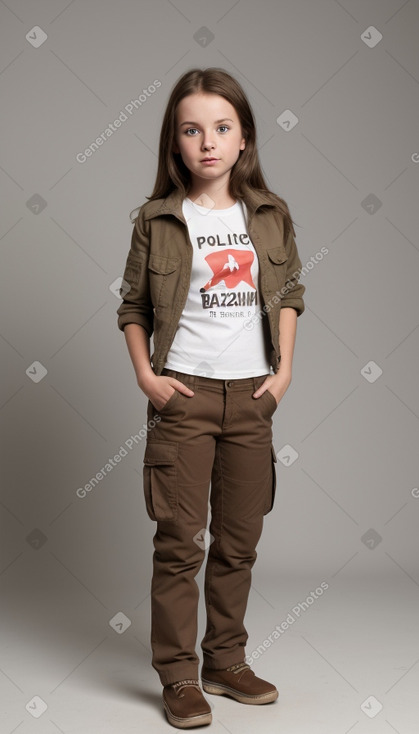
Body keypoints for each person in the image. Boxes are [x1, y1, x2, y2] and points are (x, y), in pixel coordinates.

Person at [116, 67, 305, 729]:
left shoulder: (269, 215)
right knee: (178, 544)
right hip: (184, 399)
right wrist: (147, 377)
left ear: (244, 137)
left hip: (252, 400)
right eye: (191, 129)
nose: (207, 142)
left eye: (221, 127)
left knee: (238, 542)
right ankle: (177, 676)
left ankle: (225, 661)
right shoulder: (159, 219)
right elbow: (133, 305)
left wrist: (282, 376)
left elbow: (290, 297)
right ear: (175, 142)